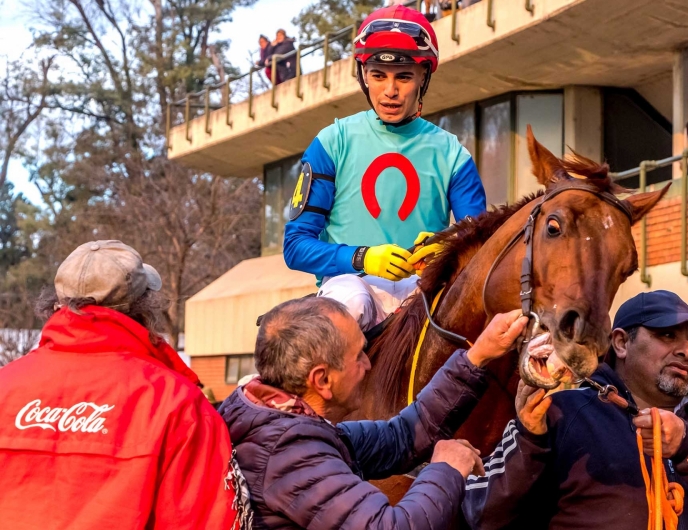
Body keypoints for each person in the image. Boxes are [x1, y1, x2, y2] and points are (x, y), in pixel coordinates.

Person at [464, 290, 688, 530]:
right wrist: (529, 438)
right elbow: (479, 508)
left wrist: (687, 446)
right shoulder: (561, 412)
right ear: (620, 343)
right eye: (667, 335)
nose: (685, 351)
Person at [219, 296, 528, 529]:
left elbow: (403, 437)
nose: (368, 366)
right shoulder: (289, 454)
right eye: (359, 356)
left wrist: (478, 355)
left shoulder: (288, 424)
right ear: (322, 380)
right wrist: (447, 468)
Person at [0, 240, 248, 529]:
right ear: (144, 306)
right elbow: (203, 518)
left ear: (56, 305)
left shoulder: (6, 384)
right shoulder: (178, 403)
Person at [283, 5, 486, 331]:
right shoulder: (331, 142)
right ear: (364, 75)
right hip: (348, 286)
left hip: (421, 290)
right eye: (378, 76)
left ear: (423, 76)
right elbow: (295, 247)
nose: (390, 91)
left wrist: (446, 246)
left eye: (403, 77)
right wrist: (362, 258)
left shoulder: (452, 153)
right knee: (354, 301)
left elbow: (479, 242)